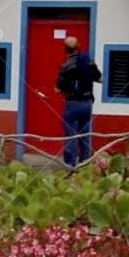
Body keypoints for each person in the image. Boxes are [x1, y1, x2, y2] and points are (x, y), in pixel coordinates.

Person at [55, 35, 102, 168]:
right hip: (87, 103)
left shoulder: (65, 67)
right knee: (85, 135)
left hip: (72, 104)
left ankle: (71, 165)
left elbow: (58, 89)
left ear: (65, 49)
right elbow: (100, 79)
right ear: (79, 47)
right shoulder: (89, 62)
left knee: (70, 135)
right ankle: (85, 163)